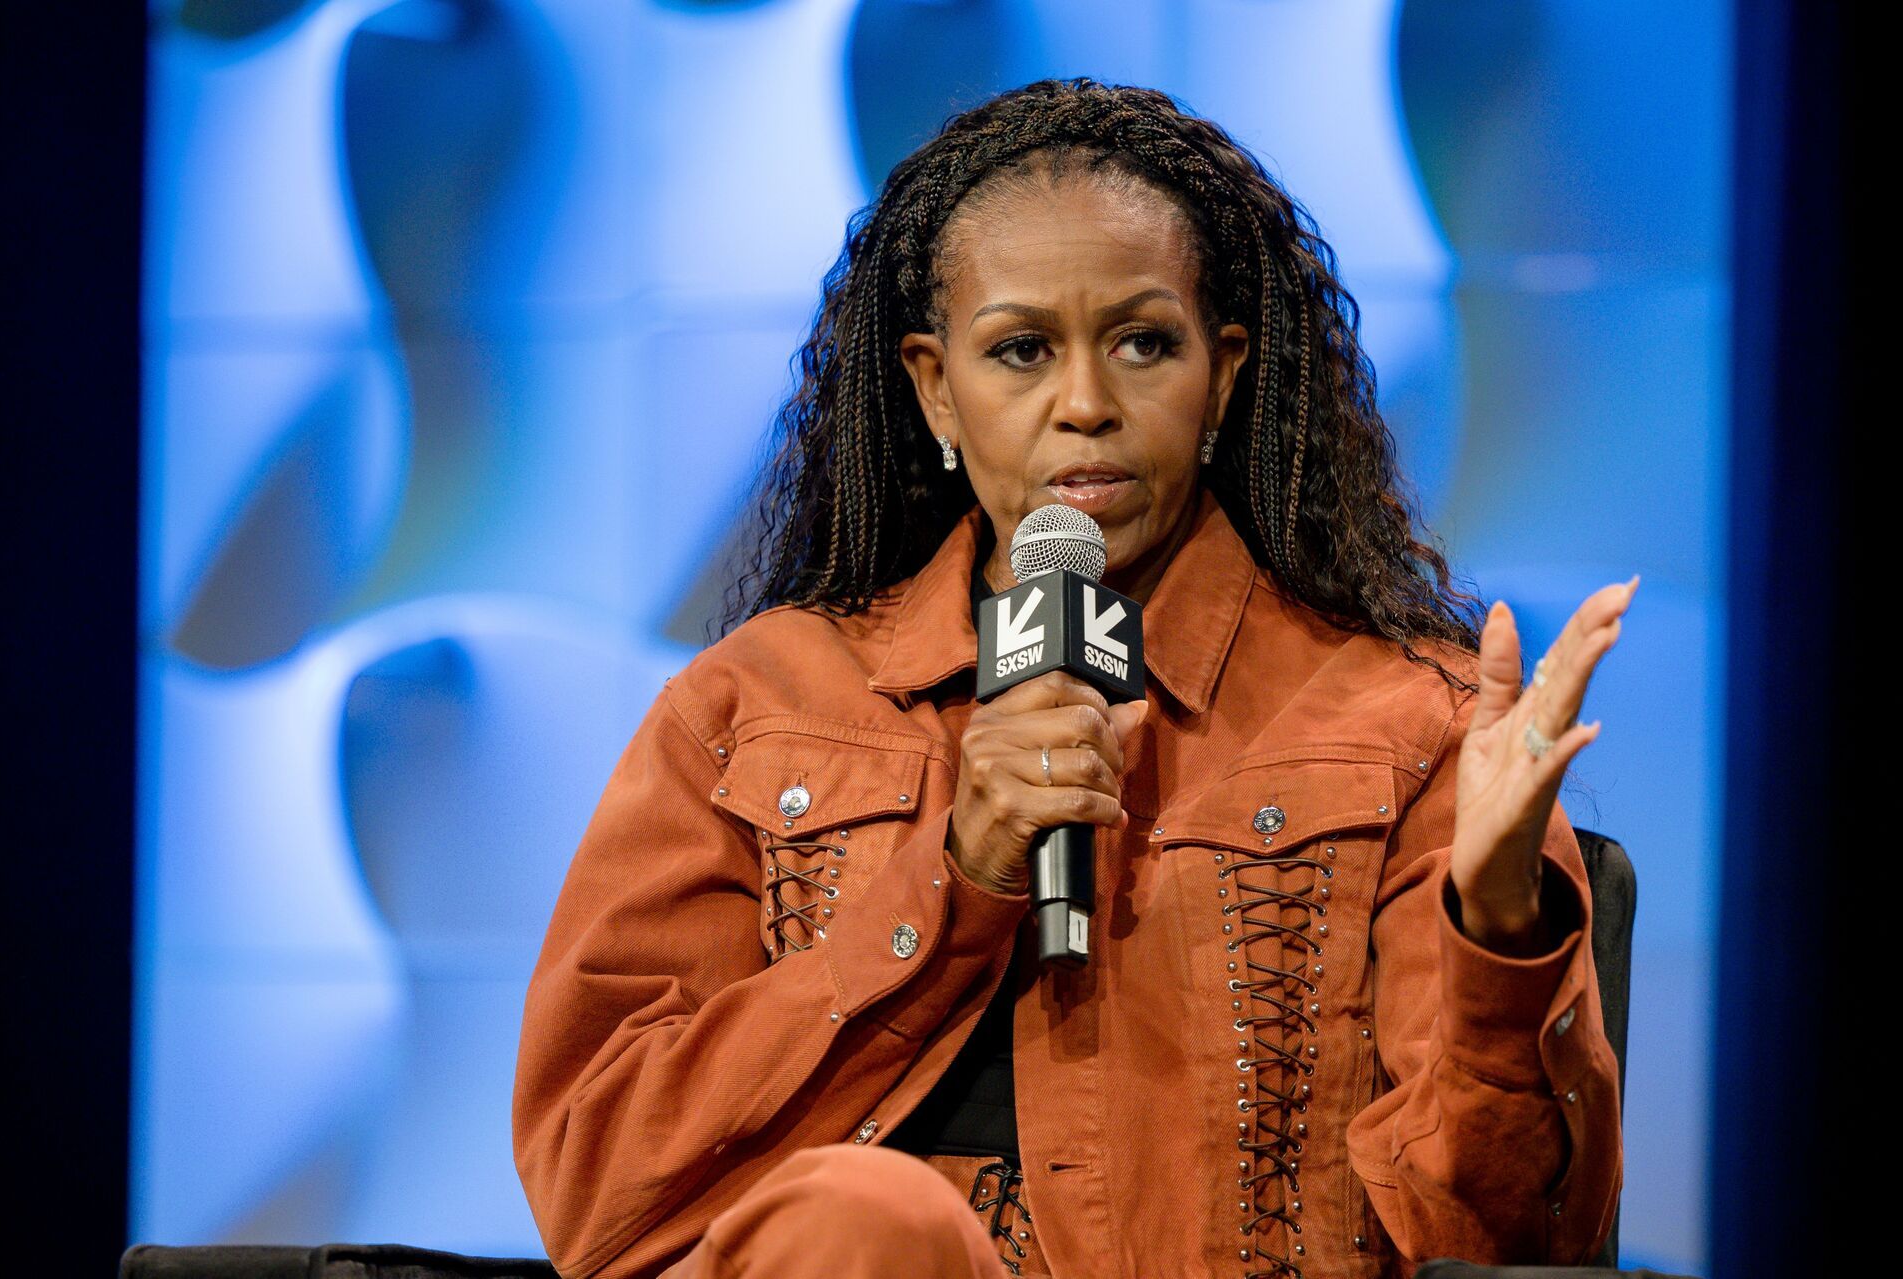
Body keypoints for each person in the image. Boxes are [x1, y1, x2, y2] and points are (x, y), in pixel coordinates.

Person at [512, 78, 1631, 1279]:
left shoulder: (1408, 725)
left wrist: (1500, 929)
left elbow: (1497, 1240)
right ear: (936, 388)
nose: (1086, 405)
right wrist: (952, 877)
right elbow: (597, 1189)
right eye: (1021, 351)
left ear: (1223, 375)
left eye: (1145, 343)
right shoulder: (756, 707)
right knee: (863, 1222)